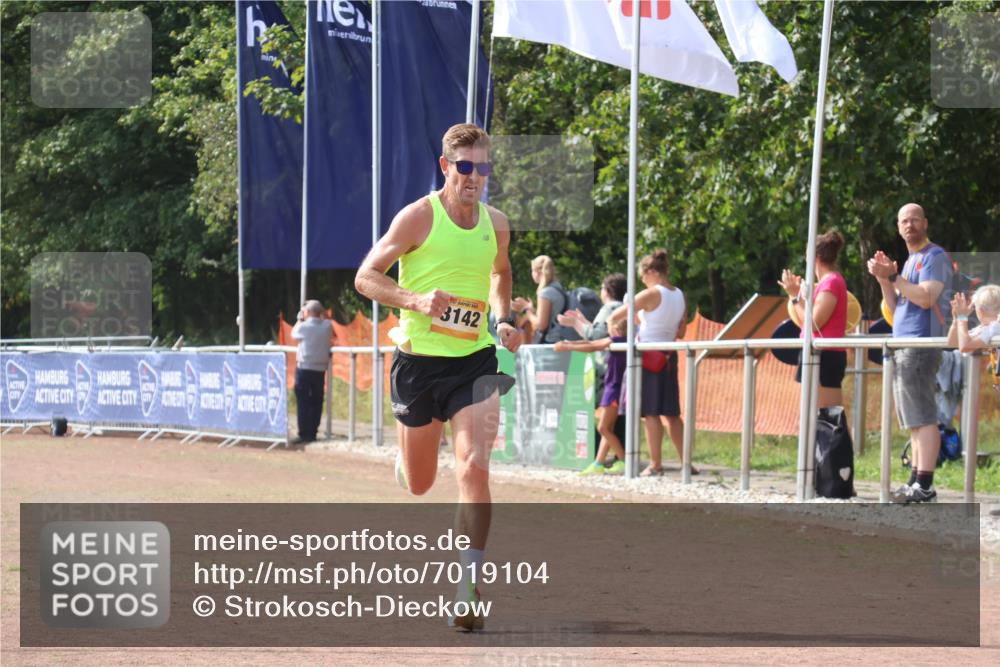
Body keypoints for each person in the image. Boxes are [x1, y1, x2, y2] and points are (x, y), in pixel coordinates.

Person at [354, 123, 520, 631]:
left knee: (473, 467)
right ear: (446, 167)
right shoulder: (418, 218)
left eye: (483, 168)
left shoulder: (496, 222)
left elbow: (501, 272)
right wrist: (415, 300)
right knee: (422, 483)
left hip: (474, 361)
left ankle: (468, 586)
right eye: (465, 167)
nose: (475, 177)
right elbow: (365, 277)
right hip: (419, 363)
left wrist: (504, 318)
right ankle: (405, 461)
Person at [867, 203, 953, 504]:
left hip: (921, 344)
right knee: (913, 418)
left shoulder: (934, 257)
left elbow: (927, 298)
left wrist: (894, 278)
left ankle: (925, 483)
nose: (910, 225)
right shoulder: (909, 261)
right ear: (898, 226)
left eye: (915, 220)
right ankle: (916, 479)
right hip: (904, 343)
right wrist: (883, 280)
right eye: (904, 220)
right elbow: (895, 308)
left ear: (925, 223)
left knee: (923, 415)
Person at [608, 249, 688, 477]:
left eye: (642, 276)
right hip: (669, 355)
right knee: (672, 414)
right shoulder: (680, 294)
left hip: (648, 354)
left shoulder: (651, 294)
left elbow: (617, 315)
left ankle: (655, 463)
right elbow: (681, 331)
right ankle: (685, 461)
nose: (642, 280)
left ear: (651, 272)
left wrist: (614, 328)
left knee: (651, 412)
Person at [777, 230, 849, 408]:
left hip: (825, 355)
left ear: (814, 257)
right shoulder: (827, 282)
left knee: (828, 419)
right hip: (818, 353)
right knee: (816, 418)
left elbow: (814, 324)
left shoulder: (831, 282)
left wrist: (795, 297)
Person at [554, 317, 628, 475]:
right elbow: (591, 344)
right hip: (615, 388)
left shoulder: (617, 340)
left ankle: (624, 460)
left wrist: (567, 347)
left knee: (603, 428)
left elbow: (593, 346)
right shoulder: (621, 341)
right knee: (608, 428)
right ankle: (598, 463)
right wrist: (570, 343)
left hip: (614, 389)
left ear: (615, 329)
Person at [290, 300, 334, 444]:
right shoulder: (327, 326)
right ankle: (313, 432)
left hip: (304, 367)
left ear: (307, 312)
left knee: (303, 401)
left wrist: (299, 319)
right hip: (320, 369)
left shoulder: (303, 326)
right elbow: (328, 322)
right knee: (317, 401)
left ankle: (304, 433)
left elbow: (293, 334)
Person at [512, 255, 571, 343]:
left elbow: (540, 325)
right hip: (561, 342)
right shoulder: (558, 289)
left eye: (532, 270)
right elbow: (551, 318)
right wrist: (532, 310)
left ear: (537, 271)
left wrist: (526, 311)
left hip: (548, 344)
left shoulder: (545, 293)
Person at [948, 284, 1000, 353]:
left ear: (980, 310)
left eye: (975, 306)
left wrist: (962, 318)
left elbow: (965, 347)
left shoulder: (996, 327)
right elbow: (953, 343)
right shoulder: (985, 328)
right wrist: (957, 318)